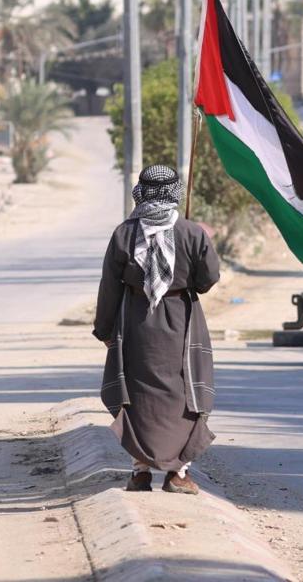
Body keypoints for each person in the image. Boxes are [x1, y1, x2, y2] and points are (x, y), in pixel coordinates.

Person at [93, 164, 220, 494]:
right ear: (175, 192)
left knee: (138, 393)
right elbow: (209, 279)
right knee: (183, 392)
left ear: (142, 191)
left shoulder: (124, 233)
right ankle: (178, 475)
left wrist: (105, 329)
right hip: (181, 321)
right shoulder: (192, 232)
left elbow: (109, 286)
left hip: (136, 322)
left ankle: (140, 473)